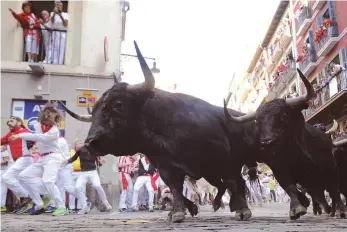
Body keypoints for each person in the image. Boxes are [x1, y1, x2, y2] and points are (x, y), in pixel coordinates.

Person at [14, 102, 68, 216]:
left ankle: (62, 207)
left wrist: (20, 135)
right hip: (42, 158)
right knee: (23, 176)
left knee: (48, 180)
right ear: (44, 117)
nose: (52, 121)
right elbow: (36, 137)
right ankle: (39, 203)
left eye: (54, 119)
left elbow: (41, 138)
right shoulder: (38, 125)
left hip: (53, 156)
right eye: (50, 118)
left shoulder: (54, 131)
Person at [62, 145, 112, 215]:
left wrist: (101, 162)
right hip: (83, 173)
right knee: (78, 187)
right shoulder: (80, 150)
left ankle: (106, 203)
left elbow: (98, 163)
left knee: (97, 185)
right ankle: (84, 206)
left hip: (93, 172)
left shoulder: (95, 150)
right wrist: (66, 161)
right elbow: (73, 158)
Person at [1, 116, 34, 214]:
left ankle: (27, 197)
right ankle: (25, 200)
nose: (9, 123)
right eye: (8, 121)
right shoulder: (10, 134)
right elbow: (1, 141)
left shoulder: (24, 130)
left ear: (19, 123)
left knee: (6, 177)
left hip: (25, 159)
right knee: (17, 181)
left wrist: (31, 144)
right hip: (18, 161)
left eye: (12, 121)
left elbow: (34, 139)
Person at [1, 145, 14, 212]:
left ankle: (2, 204)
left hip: (3, 170)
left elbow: (6, 160)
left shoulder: (2, 148)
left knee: (2, 189)